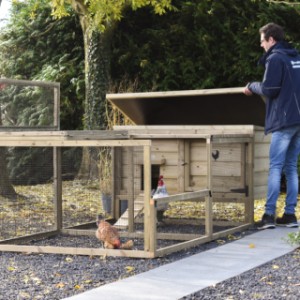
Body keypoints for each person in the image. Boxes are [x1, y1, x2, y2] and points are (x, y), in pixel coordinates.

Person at [244, 23, 300, 229]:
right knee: (291, 168)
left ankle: (268, 216)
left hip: (283, 121)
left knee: (275, 167)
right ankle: (290, 215)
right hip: (298, 121)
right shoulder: (296, 57)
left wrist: (252, 86)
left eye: (262, 41)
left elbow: (269, 89)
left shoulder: (276, 58)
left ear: (271, 40)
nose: (261, 45)